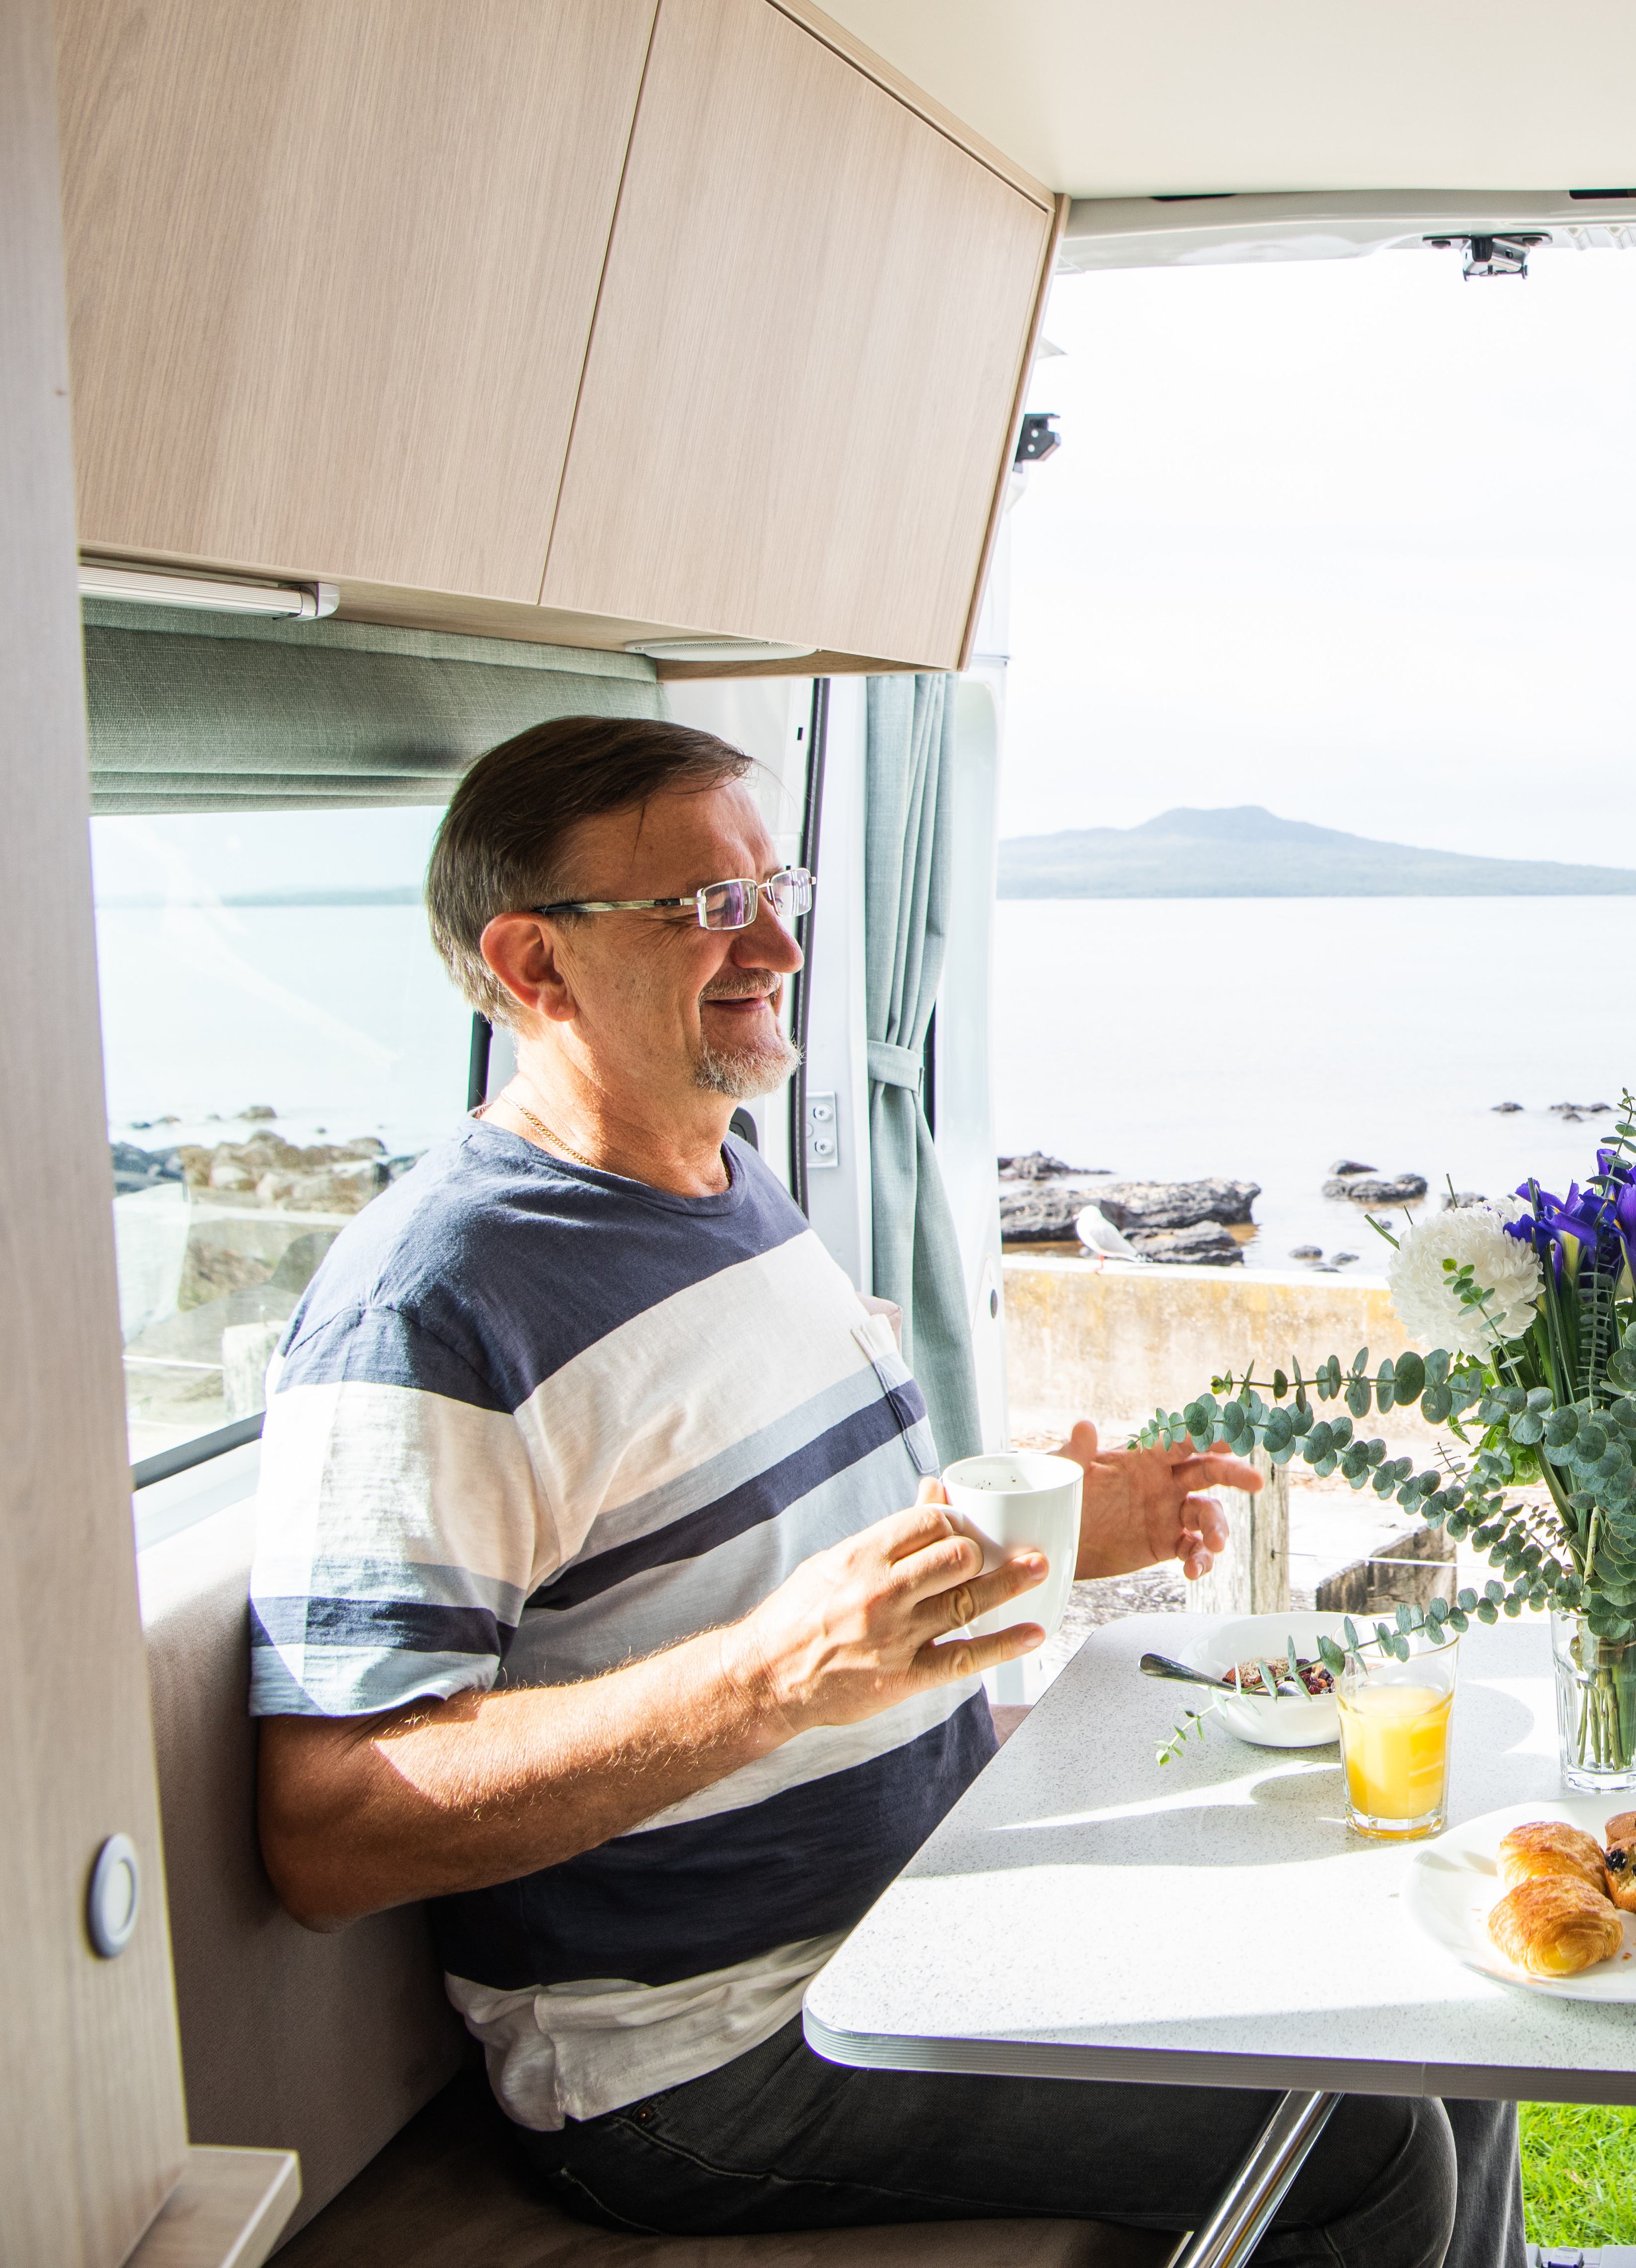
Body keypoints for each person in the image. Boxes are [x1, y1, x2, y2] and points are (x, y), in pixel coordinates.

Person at [249, 715, 1516, 2264]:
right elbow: (332, 1830)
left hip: (929, 1895)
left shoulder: (726, 1181)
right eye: (707, 906)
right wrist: (767, 1681)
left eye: (772, 887)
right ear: (534, 968)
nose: (778, 942)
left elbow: (782, 1578)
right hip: (704, 2049)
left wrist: (1043, 1547)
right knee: (1355, 2145)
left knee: (1436, 2015)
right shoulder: (437, 1303)